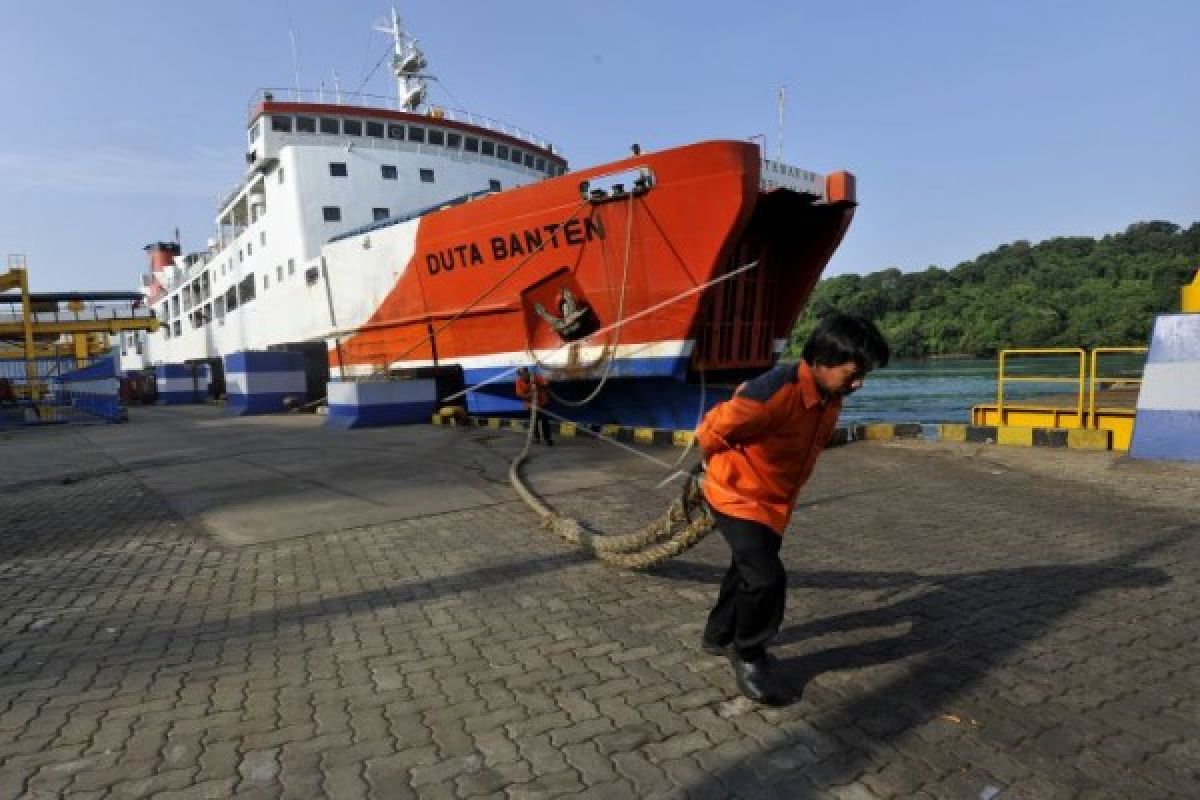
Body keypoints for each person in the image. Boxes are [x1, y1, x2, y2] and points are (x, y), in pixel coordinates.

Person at [694, 313, 890, 705]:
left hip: (775, 499)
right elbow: (710, 431)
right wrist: (709, 469)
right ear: (820, 360)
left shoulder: (831, 397)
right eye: (853, 373)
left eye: (863, 374)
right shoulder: (772, 393)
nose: (859, 383)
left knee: (747, 568)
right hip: (735, 494)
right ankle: (749, 653)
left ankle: (717, 635)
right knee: (765, 578)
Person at [515, 366, 554, 445]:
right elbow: (520, 394)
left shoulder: (535, 377)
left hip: (542, 403)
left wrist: (541, 384)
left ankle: (547, 438)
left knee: (545, 420)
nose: (523, 376)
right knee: (533, 421)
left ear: (527, 372)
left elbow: (545, 382)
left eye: (524, 374)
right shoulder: (519, 382)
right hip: (531, 405)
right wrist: (531, 395)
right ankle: (537, 437)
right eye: (521, 375)